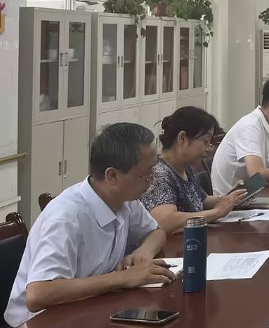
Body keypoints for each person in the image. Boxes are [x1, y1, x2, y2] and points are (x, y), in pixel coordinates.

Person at [5, 123, 177, 327]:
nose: (152, 181)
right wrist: (123, 278)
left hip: (90, 306)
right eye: (146, 174)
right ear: (112, 176)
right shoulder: (67, 219)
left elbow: (156, 232)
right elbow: (38, 294)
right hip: (43, 320)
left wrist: (144, 252)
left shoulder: (124, 200)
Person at [141, 107, 247, 234]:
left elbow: (202, 199)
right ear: (182, 138)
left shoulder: (185, 168)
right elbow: (165, 221)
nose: (208, 149)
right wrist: (217, 212)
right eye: (205, 141)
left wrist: (230, 198)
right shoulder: (159, 173)